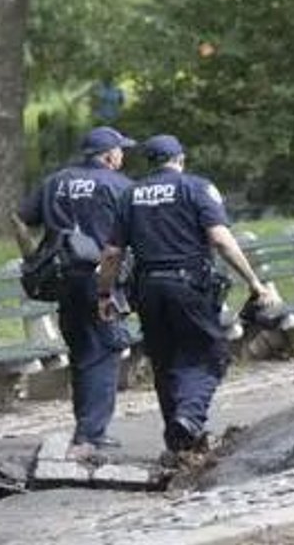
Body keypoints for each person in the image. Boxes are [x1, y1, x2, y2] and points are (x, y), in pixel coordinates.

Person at [96, 135, 275, 461]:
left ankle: (179, 444)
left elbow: (111, 254)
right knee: (210, 355)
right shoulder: (196, 188)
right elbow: (220, 239)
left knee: (165, 362)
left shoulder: (130, 195)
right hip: (188, 287)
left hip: (148, 291)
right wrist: (254, 283)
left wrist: (106, 294)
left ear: (150, 162)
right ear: (180, 159)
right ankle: (190, 418)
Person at [17, 126, 138, 459]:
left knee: (83, 350)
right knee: (105, 350)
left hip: (62, 278)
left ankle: (87, 428)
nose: (123, 156)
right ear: (109, 155)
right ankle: (88, 439)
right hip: (100, 277)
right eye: (120, 150)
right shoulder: (119, 185)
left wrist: (32, 257)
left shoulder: (56, 181)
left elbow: (20, 218)